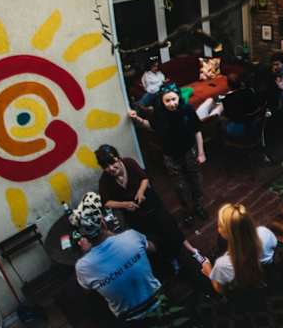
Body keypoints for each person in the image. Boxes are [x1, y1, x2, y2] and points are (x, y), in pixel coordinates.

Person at [95, 144, 200, 275]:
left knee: (168, 225)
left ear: (118, 158)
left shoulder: (129, 163)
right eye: (106, 166)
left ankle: (190, 249)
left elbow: (144, 178)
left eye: (113, 163)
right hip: (133, 213)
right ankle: (170, 259)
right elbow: (106, 202)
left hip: (149, 202)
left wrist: (140, 192)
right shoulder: (105, 180)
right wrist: (124, 204)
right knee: (151, 238)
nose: (111, 168)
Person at [72, 192, 162, 323]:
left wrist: (87, 253)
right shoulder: (131, 236)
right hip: (159, 301)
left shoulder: (82, 267)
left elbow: (87, 290)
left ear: (83, 237)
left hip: (130, 319)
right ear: (103, 223)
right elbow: (153, 248)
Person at [128, 83, 207, 223]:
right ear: (162, 101)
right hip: (170, 155)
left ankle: (199, 206)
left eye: (174, 99)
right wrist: (136, 119)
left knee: (196, 180)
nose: (172, 103)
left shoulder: (187, 109)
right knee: (179, 186)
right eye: (168, 100)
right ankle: (187, 211)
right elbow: (151, 126)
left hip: (189, 151)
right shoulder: (159, 113)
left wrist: (201, 153)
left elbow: (197, 131)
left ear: (178, 98)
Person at [201, 203, 277, 294]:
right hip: (268, 275)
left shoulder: (222, 265)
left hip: (245, 292)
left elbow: (220, 290)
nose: (218, 228)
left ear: (226, 233)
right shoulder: (264, 232)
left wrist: (209, 271)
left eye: (220, 225)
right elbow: (274, 246)